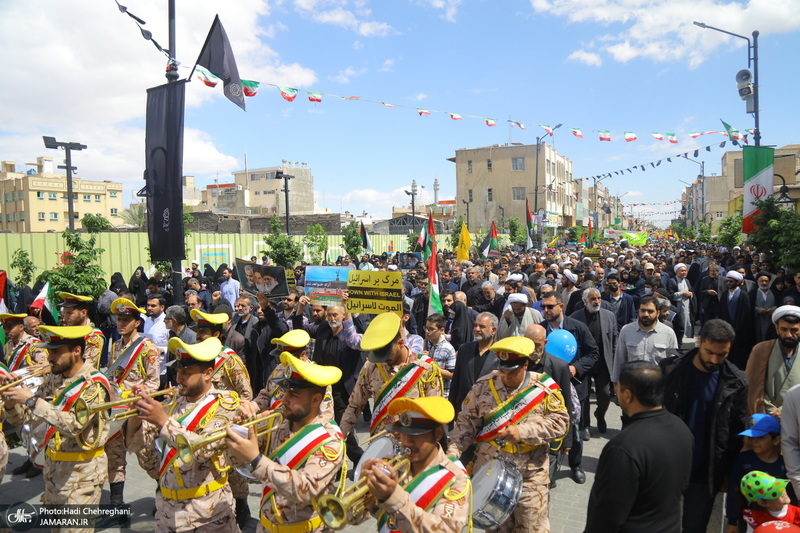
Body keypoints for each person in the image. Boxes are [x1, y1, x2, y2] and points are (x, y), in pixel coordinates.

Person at [448, 336, 569, 533]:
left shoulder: (544, 388)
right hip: (491, 471)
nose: (504, 377)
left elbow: (561, 423)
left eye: (511, 372)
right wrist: (453, 452)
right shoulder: (483, 385)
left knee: (531, 528)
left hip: (530, 475)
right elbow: (466, 423)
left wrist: (523, 431)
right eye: (502, 371)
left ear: (525, 365)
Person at [2, 325, 112, 532]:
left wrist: (33, 400)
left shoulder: (93, 384)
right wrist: (11, 400)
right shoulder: (55, 377)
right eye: (48, 351)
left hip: (82, 475)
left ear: (76, 351)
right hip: (54, 471)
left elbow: (73, 425)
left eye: (55, 352)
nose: (49, 357)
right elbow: (25, 418)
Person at [127, 336, 240, 532]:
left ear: (208, 373)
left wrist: (163, 421)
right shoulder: (175, 400)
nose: (179, 378)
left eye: (186, 372)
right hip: (166, 510)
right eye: (178, 371)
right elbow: (138, 444)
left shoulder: (225, 404)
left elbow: (205, 448)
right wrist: (137, 414)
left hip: (206, 514)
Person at [225, 351, 345, 533]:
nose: (284, 399)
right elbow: (238, 461)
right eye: (285, 391)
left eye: (294, 395)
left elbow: (303, 490)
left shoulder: (329, 440)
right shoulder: (278, 422)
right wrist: (237, 429)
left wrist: (257, 460)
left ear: (315, 400)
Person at [661, 319, 748, 533]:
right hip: (669, 465)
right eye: (709, 352)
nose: (714, 359)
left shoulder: (737, 382)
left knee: (694, 527)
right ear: (699, 341)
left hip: (705, 472)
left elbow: (737, 433)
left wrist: (729, 473)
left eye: (722, 354)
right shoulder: (671, 370)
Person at [585, 360, 692, 533]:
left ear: (627, 395)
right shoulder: (682, 429)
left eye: (617, 387)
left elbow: (605, 516)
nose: (615, 392)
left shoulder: (623, 447)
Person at [340, 312, 442, 439]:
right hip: (380, 444)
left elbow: (434, 414)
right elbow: (355, 406)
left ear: (400, 343)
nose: (383, 359)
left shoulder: (426, 369)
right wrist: (340, 438)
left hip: (414, 444)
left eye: (386, 353)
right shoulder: (372, 366)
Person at [540, 291, 599, 483]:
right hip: (546, 391)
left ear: (561, 306)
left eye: (550, 306)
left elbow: (593, 353)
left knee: (576, 431)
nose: (546, 310)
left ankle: (575, 465)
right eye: (543, 307)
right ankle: (550, 469)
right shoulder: (540, 330)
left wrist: (576, 367)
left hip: (574, 388)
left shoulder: (578, 327)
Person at [728, 414, 795, 533]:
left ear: (776, 440)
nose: (754, 442)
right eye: (751, 438)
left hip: (780, 520)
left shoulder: (785, 463)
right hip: (748, 521)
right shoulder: (742, 460)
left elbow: (790, 494)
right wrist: (732, 521)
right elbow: (734, 490)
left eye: (760, 437)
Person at [570, 287, 618, 434]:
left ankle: (600, 415)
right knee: (583, 396)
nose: (596, 301)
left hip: (603, 362)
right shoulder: (575, 318)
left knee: (604, 394)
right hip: (583, 363)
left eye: (598, 298)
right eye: (593, 299)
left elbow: (614, 340)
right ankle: (585, 425)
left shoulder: (609, 316)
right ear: (585, 301)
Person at [611, 296, 679, 383]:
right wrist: (616, 383)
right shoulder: (626, 331)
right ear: (638, 311)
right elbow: (619, 360)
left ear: (658, 313)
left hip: (657, 387)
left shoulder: (668, 333)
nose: (646, 314)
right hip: (632, 386)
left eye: (650, 311)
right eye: (643, 310)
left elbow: (672, 364)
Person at [747, 306, 800, 416]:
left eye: (794, 330)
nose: (789, 335)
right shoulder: (760, 350)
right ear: (776, 328)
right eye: (784, 329)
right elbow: (753, 388)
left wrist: (784, 410)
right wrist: (773, 412)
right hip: (766, 416)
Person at [448, 312, 499, 416]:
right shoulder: (464, 349)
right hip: (463, 413)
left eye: (482, 326)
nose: (477, 329)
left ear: (493, 330)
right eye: (475, 325)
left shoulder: (500, 354)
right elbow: (456, 382)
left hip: (488, 414)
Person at [719, 270, 756, 369]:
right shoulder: (724, 294)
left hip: (741, 331)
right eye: (728, 281)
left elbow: (746, 315)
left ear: (738, 282)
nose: (729, 283)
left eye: (731, 281)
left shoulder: (744, 295)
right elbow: (722, 312)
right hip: (727, 329)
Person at [58, 292, 105, 369]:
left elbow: (87, 365)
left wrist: (58, 365)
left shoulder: (93, 336)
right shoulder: (68, 331)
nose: (65, 318)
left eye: (69, 313)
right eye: (64, 314)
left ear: (83, 313)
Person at [423, 313, 456, 397]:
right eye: (426, 328)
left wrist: (431, 366)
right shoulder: (426, 343)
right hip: (427, 392)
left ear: (441, 330)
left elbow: (452, 375)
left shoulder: (447, 348)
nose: (427, 331)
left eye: (431, 329)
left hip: (442, 394)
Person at [668, 262, 696, 343]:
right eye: (682, 271)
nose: (684, 272)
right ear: (676, 271)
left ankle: (687, 339)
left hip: (687, 306)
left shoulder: (687, 281)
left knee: (688, 322)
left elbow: (691, 291)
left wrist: (690, 294)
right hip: (677, 306)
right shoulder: (672, 281)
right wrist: (682, 293)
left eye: (685, 271)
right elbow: (671, 295)